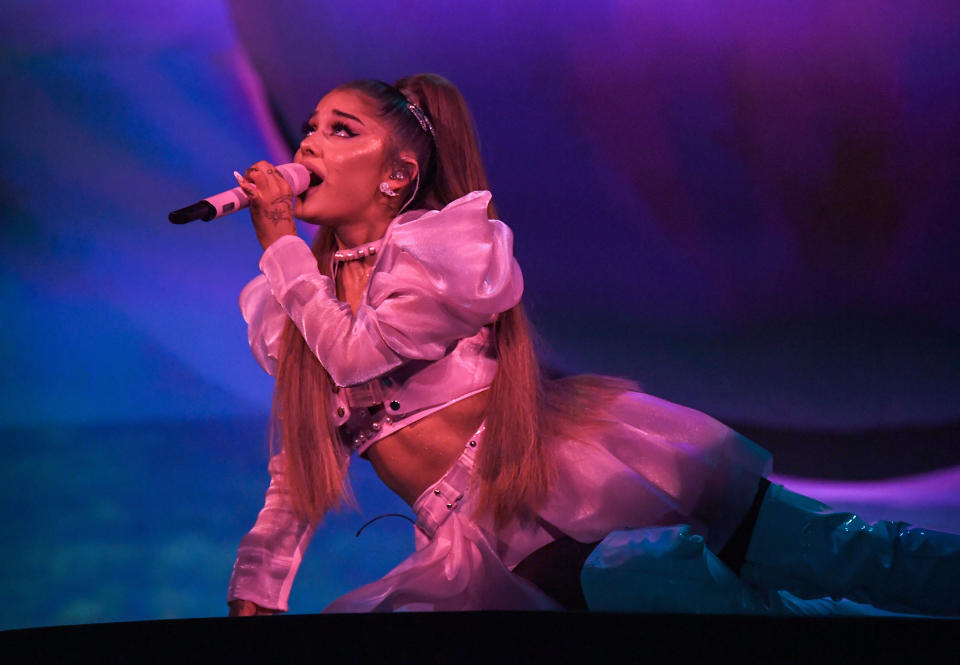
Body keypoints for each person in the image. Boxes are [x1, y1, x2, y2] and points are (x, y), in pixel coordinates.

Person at [225, 74, 959, 616]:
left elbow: (362, 353)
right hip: (487, 548)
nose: (310, 142)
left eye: (342, 128)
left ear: (398, 175)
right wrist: (256, 591)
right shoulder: (297, 306)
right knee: (718, 609)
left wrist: (282, 244)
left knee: (843, 554)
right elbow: (302, 466)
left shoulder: (440, 252)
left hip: (582, 472)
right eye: (310, 127)